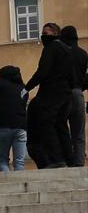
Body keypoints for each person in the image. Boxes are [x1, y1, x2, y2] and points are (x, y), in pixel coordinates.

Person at [25, 22, 76, 168]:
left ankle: (56, 158)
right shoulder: (67, 49)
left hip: (52, 92)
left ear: (55, 33)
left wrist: (27, 87)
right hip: (66, 93)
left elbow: (43, 71)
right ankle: (70, 159)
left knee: (47, 123)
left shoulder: (50, 48)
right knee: (61, 126)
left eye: (46, 33)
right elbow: (73, 74)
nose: (43, 36)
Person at [0, 65, 28, 171]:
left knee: (3, 160)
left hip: (3, 125)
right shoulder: (23, 87)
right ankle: (19, 181)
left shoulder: (0, 84)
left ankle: (6, 178)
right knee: (19, 161)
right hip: (21, 126)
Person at [61, 26, 87, 167]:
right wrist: (81, 86)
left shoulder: (61, 52)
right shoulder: (83, 54)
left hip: (62, 94)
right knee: (79, 134)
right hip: (78, 93)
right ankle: (79, 164)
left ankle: (65, 161)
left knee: (61, 129)